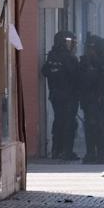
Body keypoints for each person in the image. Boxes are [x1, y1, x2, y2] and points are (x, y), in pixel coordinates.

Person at [41, 30, 81, 160]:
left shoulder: (52, 56)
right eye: (70, 42)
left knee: (59, 121)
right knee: (69, 124)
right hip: (69, 96)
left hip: (55, 95)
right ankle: (66, 151)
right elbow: (75, 76)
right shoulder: (69, 58)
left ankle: (56, 150)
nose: (73, 46)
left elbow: (45, 71)